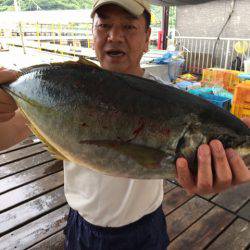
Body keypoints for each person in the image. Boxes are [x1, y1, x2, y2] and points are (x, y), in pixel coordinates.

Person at [0, 0, 249, 249]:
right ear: (93, 32)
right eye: (104, 25)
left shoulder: (170, 100)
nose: (114, 36)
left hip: (142, 230)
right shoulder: (67, 88)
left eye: (128, 27)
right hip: (80, 224)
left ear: (147, 35)